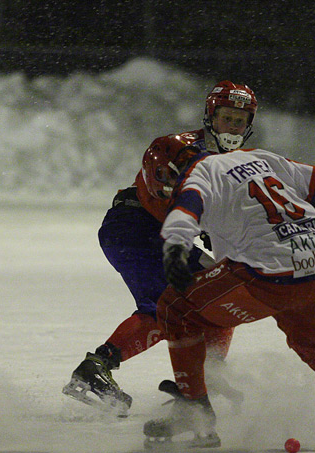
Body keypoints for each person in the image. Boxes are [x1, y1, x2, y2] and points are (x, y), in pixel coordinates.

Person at [142, 140, 315, 449]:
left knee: (176, 308)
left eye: (165, 184)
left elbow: (186, 208)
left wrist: (175, 247)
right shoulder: (262, 158)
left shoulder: (198, 174)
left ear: (167, 171)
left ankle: (195, 413)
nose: (169, 191)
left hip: (269, 275)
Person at [62, 81, 259, 415]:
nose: (233, 127)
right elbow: (165, 196)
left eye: (240, 121)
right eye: (228, 118)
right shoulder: (175, 148)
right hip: (135, 228)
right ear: (211, 116)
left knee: (223, 296)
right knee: (166, 307)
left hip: (170, 238)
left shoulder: (240, 164)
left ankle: (205, 377)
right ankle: (97, 368)